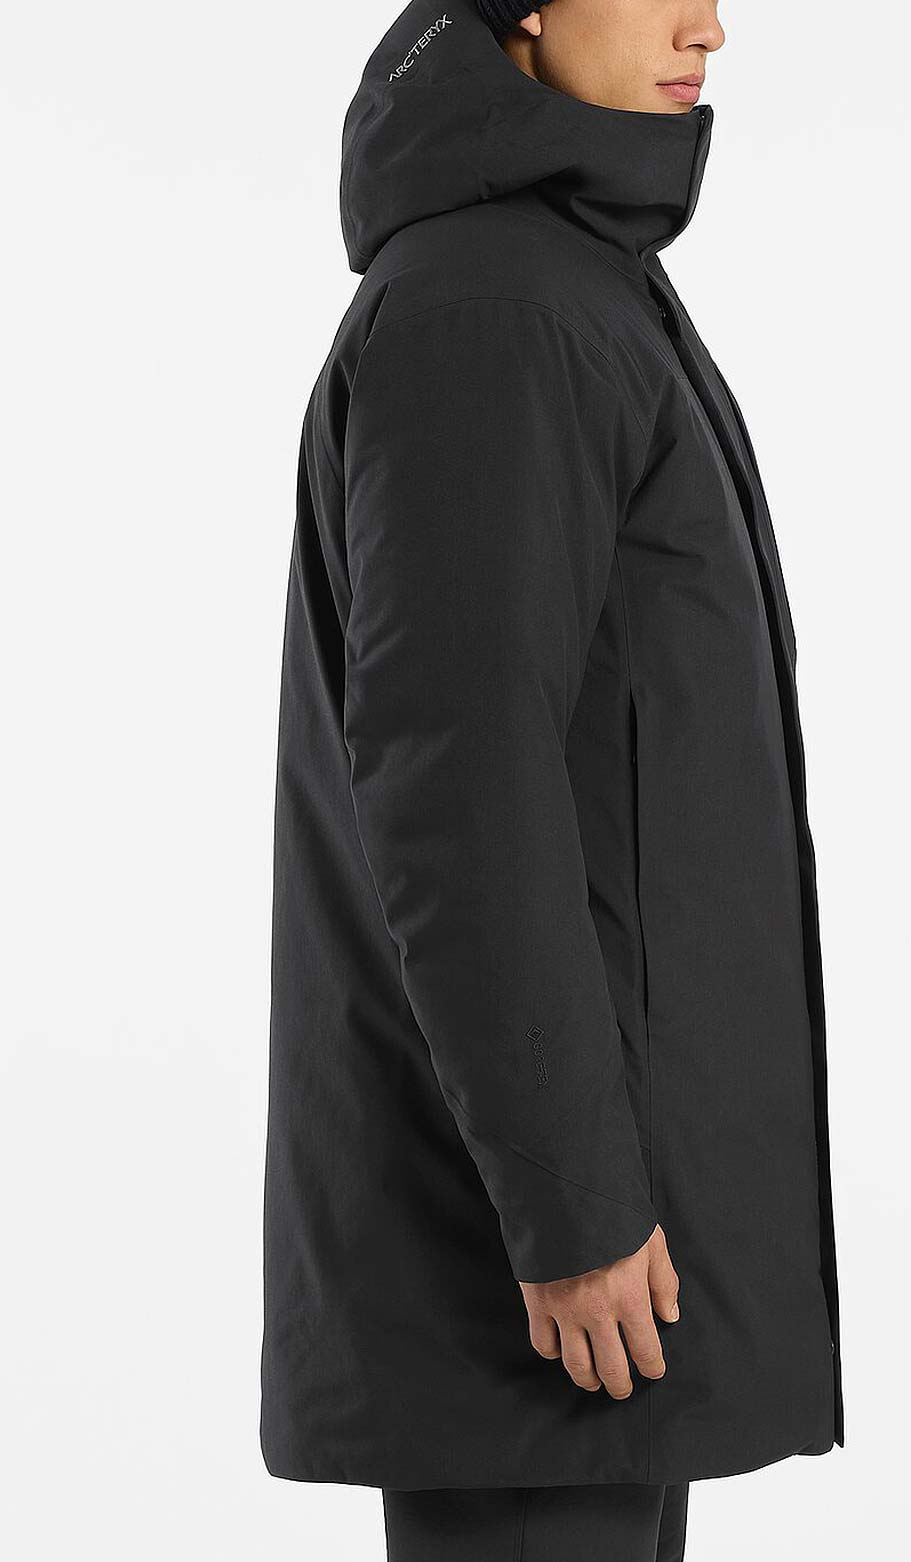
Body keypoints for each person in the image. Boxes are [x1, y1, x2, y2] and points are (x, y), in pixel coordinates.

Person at [260, 0, 843, 1555]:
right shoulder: (496, 304)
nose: (708, 27)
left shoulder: (562, 281)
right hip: (545, 1266)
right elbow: (462, 785)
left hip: (591, 1248)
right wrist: (572, 1208)